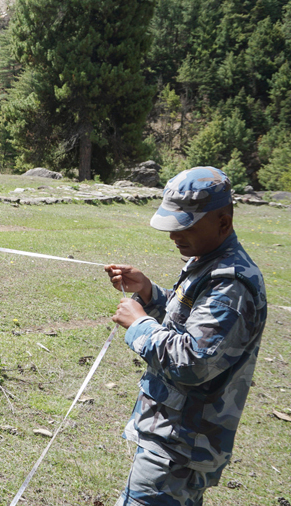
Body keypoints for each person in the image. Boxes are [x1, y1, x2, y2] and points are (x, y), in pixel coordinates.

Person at [104, 166, 267, 506]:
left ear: (223, 222)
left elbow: (193, 361)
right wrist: (150, 295)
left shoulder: (230, 283)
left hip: (182, 445)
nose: (174, 235)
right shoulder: (208, 262)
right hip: (173, 437)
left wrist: (140, 325)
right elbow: (192, 321)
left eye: (186, 224)